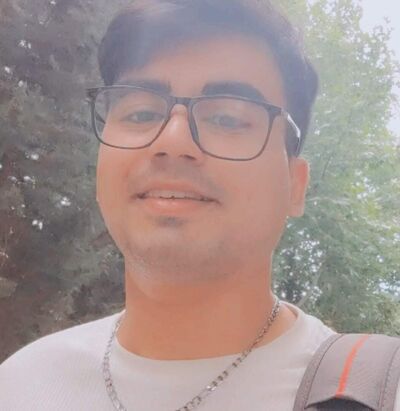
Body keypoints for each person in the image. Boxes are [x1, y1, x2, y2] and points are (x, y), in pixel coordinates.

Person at [1, 1, 398, 410]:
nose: (172, 140)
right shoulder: (21, 385)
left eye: (226, 119)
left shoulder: (372, 394)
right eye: (140, 113)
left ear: (295, 186)